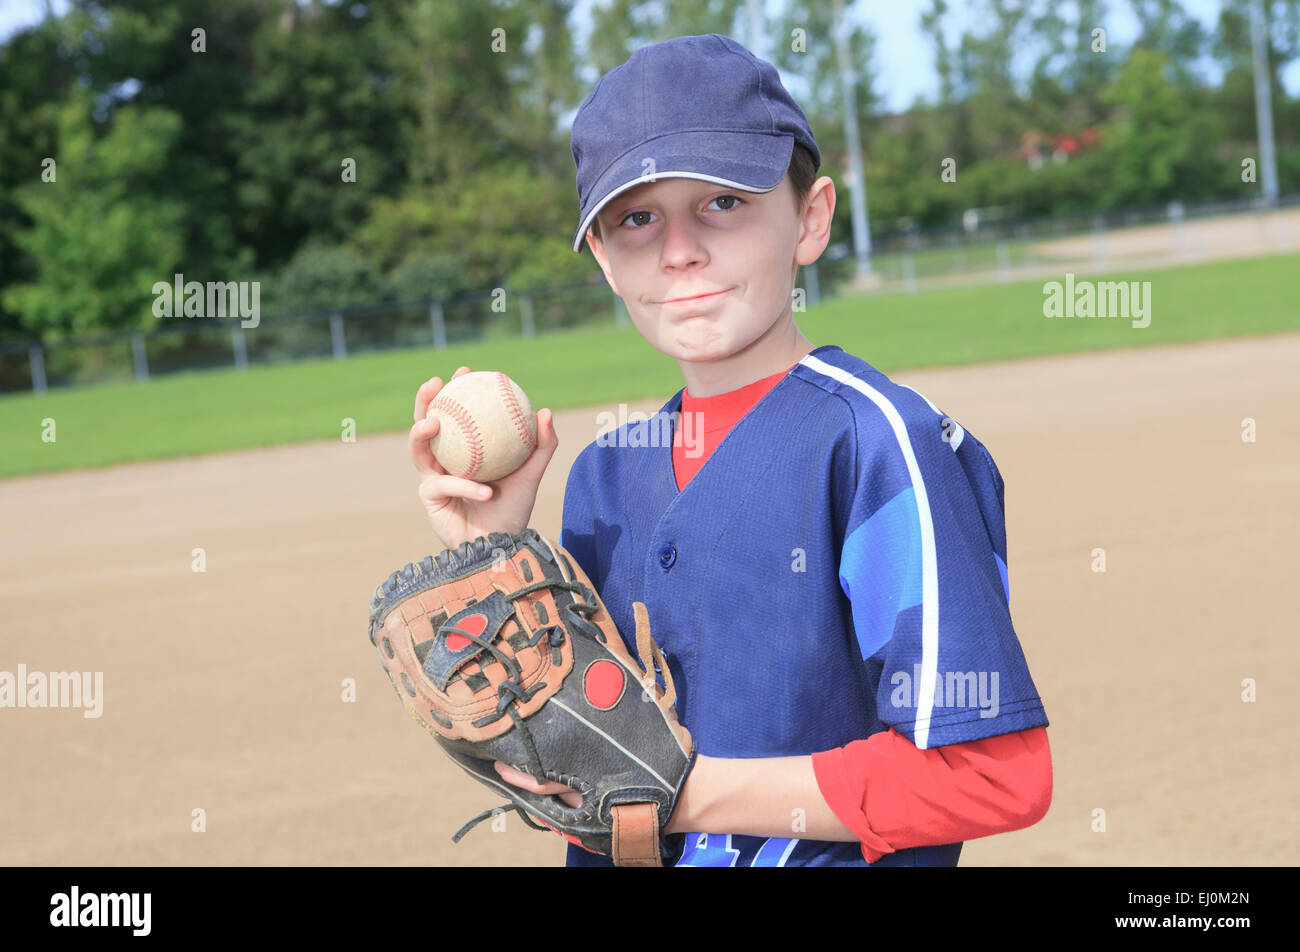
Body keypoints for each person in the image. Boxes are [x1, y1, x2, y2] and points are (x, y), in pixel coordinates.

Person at [408, 33, 1051, 867]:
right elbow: (588, 797)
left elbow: (990, 776)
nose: (680, 250)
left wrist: (682, 788)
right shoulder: (606, 477)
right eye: (637, 219)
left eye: (724, 202)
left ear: (811, 219)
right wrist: (491, 553)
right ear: (603, 258)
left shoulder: (877, 446)